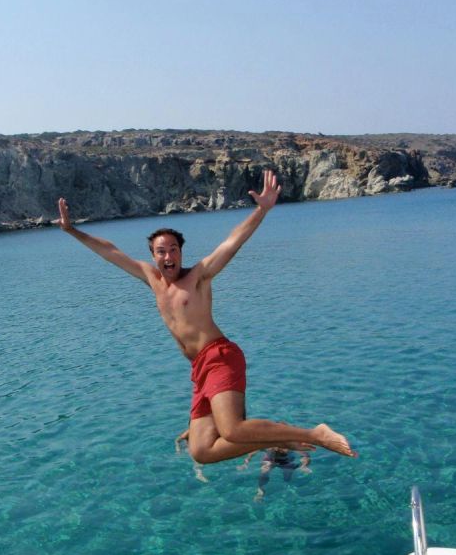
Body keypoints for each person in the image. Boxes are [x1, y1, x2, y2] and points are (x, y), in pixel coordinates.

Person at [57, 169, 357, 465]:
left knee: (233, 430)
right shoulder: (152, 279)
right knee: (201, 451)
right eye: (161, 251)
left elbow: (232, 242)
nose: (168, 257)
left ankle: (315, 433)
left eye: (173, 250)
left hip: (220, 357)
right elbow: (110, 251)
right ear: (153, 256)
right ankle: (277, 437)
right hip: (199, 367)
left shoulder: (198, 276)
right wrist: (72, 231)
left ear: (181, 252)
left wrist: (261, 211)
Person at [238, 447, 312, 502]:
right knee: (265, 470)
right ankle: (260, 491)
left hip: (286, 461)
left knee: (287, 477)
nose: (278, 448)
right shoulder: (269, 446)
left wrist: (304, 466)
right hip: (270, 460)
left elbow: (306, 455)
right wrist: (245, 463)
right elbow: (253, 452)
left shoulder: (290, 445)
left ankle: (289, 487)